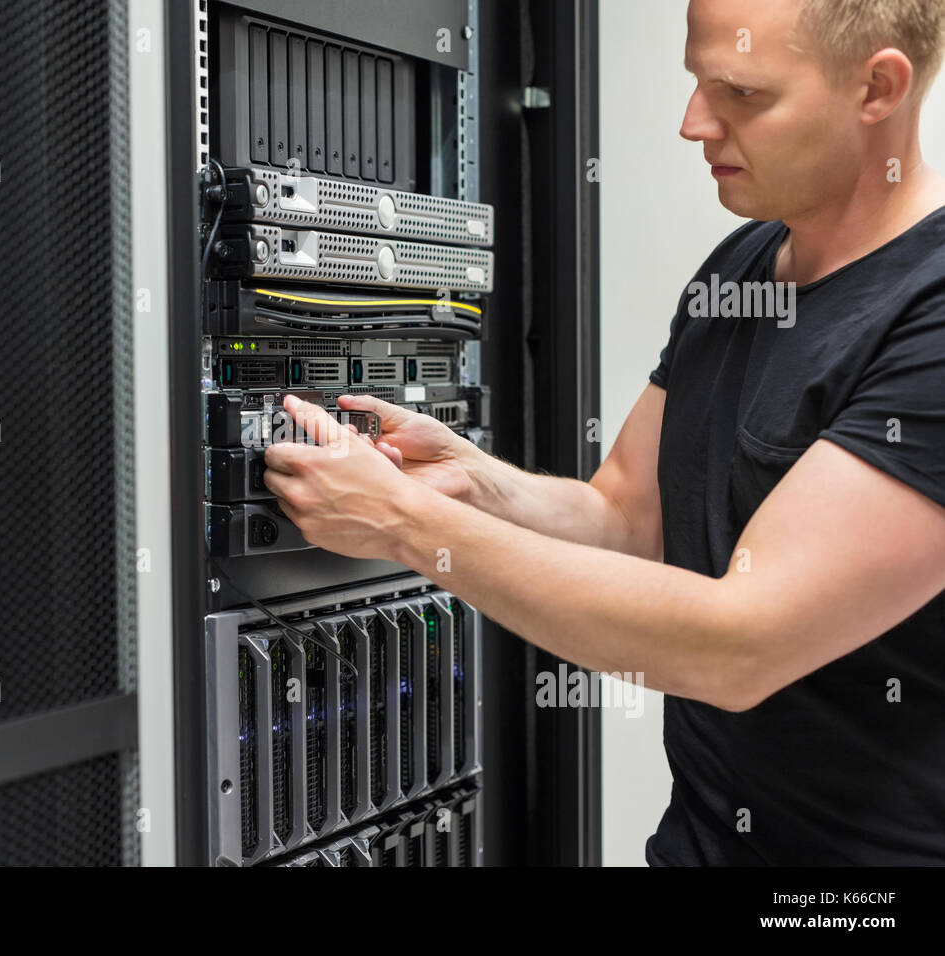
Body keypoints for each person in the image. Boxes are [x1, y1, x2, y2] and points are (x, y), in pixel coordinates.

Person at [261, 0, 945, 865]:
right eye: (697, 83)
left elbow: (743, 644)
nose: (694, 122)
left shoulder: (928, 315)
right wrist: (475, 482)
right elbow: (628, 514)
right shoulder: (739, 270)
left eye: (740, 91)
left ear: (877, 88)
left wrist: (407, 526)